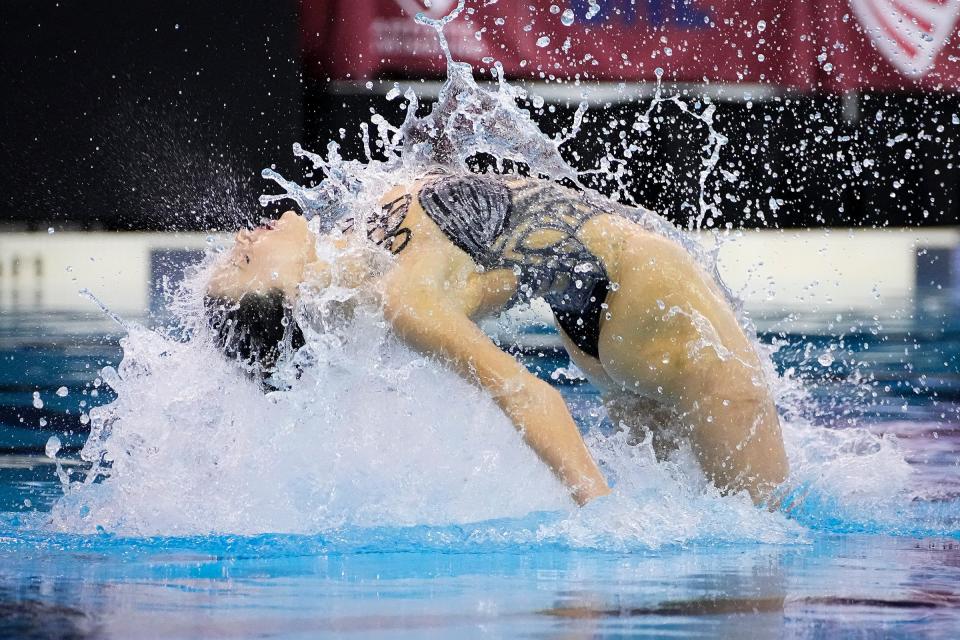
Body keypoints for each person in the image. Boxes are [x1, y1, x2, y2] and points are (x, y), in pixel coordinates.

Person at [204, 171, 789, 506]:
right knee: (765, 548)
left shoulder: (369, 242)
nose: (237, 246)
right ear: (291, 301)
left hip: (608, 326)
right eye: (240, 269)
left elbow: (494, 260)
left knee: (698, 546)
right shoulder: (406, 301)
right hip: (660, 318)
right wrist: (600, 514)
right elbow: (527, 395)